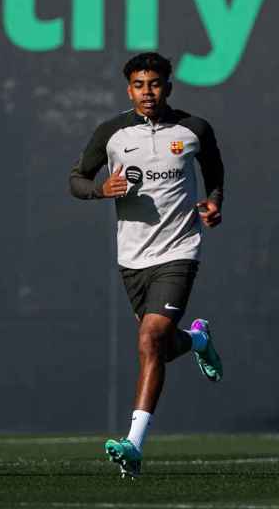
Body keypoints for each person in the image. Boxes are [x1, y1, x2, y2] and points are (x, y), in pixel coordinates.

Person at [69, 52, 225, 478]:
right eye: (139, 85)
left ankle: (133, 445)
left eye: (154, 84)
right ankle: (195, 342)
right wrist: (100, 190)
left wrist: (213, 204)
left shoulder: (192, 129)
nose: (147, 92)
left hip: (179, 251)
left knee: (149, 338)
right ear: (129, 89)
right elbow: (76, 179)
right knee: (157, 343)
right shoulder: (112, 132)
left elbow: (215, 173)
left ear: (168, 87)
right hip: (132, 258)